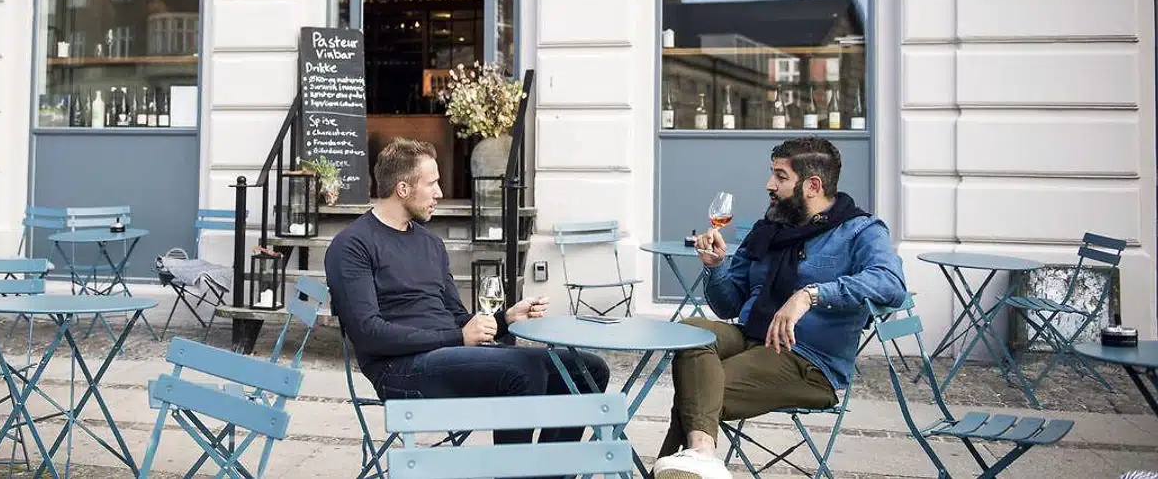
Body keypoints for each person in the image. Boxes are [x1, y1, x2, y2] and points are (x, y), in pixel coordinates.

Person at [325, 138, 611, 469]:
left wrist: (504, 320)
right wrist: (457, 337)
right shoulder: (352, 245)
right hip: (399, 370)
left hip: (450, 355)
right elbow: (369, 334)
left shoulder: (430, 243)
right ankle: (515, 475)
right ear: (403, 188)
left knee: (587, 368)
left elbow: (458, 318)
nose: (439, 193)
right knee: (523, 370)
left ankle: (547, 474)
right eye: (432, 183)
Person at [654, 136, 907, 479]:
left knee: (696, 392)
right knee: (690, 331)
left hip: (809, 361)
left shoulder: (860, 231)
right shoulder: (768, 230)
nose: (769, 184)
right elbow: (728, 304)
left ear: (813, 185)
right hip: (751, 337)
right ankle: (702, 455)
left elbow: (890, 284)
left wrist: (809, 295)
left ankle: (692, 460)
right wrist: (716, 267)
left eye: (780, 176)